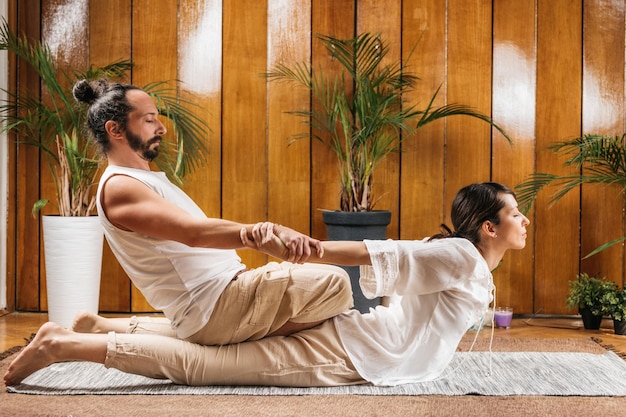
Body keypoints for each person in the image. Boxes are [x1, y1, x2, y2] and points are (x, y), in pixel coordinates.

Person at [5, 182, 530, 387]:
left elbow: (404, 281)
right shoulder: (462, 255)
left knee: (221, 347)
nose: (523, 221)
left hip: (361, 338)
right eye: (515, 214)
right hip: (358, 354)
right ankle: (64, 345)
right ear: (488, 227)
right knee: (213, 367)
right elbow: (385, 253)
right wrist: (315, 249)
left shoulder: (467, 260)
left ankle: (103, 326)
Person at [66, 79, 353, 347]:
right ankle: (226, 351)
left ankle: (102, 327)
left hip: (221, 297)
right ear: (115, 130)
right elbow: (194, 233)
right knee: (335, 284)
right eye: (149, 120)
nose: (162, 128)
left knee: (327, 293)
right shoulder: (120, 187)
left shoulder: (140, 180)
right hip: (214, 309)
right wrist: (266, 230)